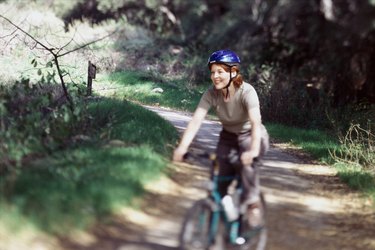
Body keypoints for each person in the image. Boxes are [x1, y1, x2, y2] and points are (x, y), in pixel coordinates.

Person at [173, 49, 269, 228]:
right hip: (228, 137)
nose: (215, 76)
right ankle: (218, 225)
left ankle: (253, 204)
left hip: (251, 135)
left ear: (233, 72)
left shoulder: (247, 91)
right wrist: (182, 147)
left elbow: (256, 123)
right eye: (212, 72)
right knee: (219, 176)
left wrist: (254, 150)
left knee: (246, 165)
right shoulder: (211, 94)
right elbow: (196, 121)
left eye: (220, 72)